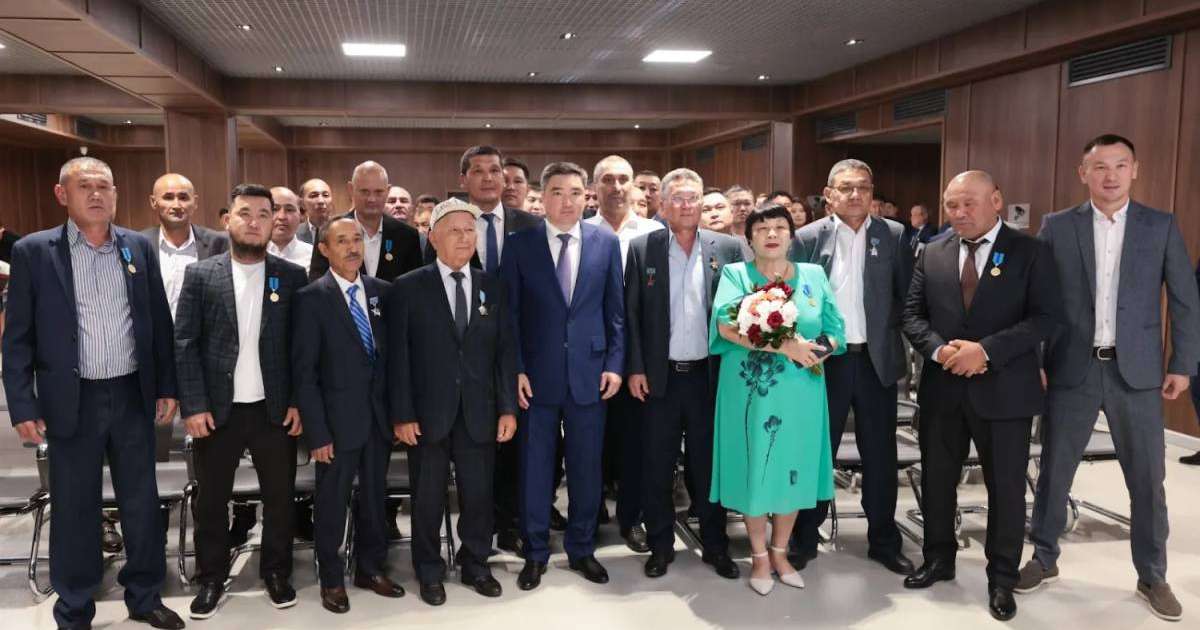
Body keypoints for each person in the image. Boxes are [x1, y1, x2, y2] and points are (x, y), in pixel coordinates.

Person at [1021, 135, 1200, 621]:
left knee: (1147, 480)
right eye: (1100, 166)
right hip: (1071, 368)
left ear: (1135, 170)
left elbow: (1185, 298)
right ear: (1084, 173)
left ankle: (1151, 574)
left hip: (1137, 373)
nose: (1111, 175)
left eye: (1120, 165)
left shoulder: (1159, 225)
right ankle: (1043, 558)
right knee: (1055, 470)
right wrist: (1035, 357)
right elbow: (1038, 298)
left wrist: (1183, 363)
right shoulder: (1057, 227)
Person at [2, 157, 184, 630]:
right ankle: (75, 607)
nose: (97, 194)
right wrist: (22, 402)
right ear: (63, 195)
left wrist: (167, 385)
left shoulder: (138, 248)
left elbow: (158, 322)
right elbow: (17, 336)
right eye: (86, 186)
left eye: (105, 186)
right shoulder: (34, 252)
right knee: (75, 506)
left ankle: (144, 596)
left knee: (141, 503)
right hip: (71, 399)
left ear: (117, 194)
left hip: (131, 395)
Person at [901, 170, 1061, 621]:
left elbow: (1047, 317)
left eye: (969, 203)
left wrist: (985, 352)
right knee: (936, 481)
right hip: (943, 390)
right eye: (952, 205)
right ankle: (938, 559)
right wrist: (938, 350)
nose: (959, 213)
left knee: (1006, 489)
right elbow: (912, 315)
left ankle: (1001, 579)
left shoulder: (1031, 252)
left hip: (1005, 392)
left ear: (996, 200)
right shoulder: (932, 252)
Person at [174, 183, 307, 620]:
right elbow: (185, 343)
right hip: (217, 411)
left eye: (264, 214)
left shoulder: (289, 277)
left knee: (280, 498)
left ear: (276, 221)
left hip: (273, 410)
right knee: (211, 501)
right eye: (245, 212)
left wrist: (296, 402)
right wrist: (193, 405)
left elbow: (299, 349)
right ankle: (211, 577)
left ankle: (276, 571)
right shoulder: (201, 274)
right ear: (227, 218)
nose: (255, 221)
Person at [501, 161, 625, 590]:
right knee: (535, 467)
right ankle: (535, 552)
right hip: (536, 375)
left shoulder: (605, 241)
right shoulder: (520, 243)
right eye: (557, 191)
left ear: (586, 195)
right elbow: (510, 316)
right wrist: (515, 367)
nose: (567, 200)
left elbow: (616, 312)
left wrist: (614, 363)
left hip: (591, 374)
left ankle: (582, 548)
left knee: (587, 467)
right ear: (544, 195)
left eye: (575, 192)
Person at [710, 202, 845, 596]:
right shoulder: (737, 274)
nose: (772, 234)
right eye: (762, 228)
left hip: (802, 386)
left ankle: (781, 551)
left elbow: (836, 330)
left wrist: (813, 352)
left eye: (780, 227)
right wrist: (785, 347)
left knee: (792, 468)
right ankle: (758, 557)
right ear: (749, 237)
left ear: (791, 235)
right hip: (751, 387)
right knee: (756, 468)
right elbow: (726, 326)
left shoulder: (814, 276)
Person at [789, 159, 914, 576]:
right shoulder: (807, 237)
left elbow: (907, 297)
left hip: (876, 360)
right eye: (846, 188)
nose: (856, 195)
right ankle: (804, 537)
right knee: (815, 452)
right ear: (829, 195)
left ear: (873, 191)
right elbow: (790, 298)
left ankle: (883, 540)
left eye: (863, 186)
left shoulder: (894, 235)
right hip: (825, 362)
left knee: (880, 454)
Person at [390, 199, 518, 606]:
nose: (465, 238)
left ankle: (476, 564)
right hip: (426, 415)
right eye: (455, 231)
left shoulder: (492, 286)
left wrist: (508, 408)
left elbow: (504, 353)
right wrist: (403, 413)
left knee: (478, 495)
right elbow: (399, 358)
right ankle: (428, 571)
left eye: (470, 231)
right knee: (427, 498)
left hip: (479, 410)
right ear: (433, 237)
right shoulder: (408, 287)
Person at [625, 167, 742, 580]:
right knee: (656, 466)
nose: (687, 205)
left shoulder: (727, 247)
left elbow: (742, 310)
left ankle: (715, 545)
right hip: (661, 378)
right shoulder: (643, 250)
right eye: (678, 198)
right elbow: (632, 315)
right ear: (663, 205)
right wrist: (636, 368)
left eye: (694, 197)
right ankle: (660, 545)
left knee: (708, 467)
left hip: (710, 379)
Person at [293, 217, 405, 614]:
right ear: (324, 249)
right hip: (335, 425)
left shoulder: (382, 293)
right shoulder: (311, 298)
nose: (352, 247)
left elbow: (392, 361)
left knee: (376, 498)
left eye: (357, 239)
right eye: (342, 241)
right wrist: (318, 434)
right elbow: (304, 375)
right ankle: (332, 579)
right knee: (331, 502)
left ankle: (370, 569)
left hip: (377, 419)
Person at [432, 145, 540, 555]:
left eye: (495, 170)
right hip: (465, 360)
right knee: (474, 450)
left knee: (514, 447)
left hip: (517, 354)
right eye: (478, 171)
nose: (489, 178)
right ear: (464, 180)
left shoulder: (530, 226)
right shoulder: (446, 223)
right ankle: (479, 530)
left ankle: (510, 524)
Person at [583, 155, 664, 553]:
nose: (616, 187)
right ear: (593, 188)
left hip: (638, 361)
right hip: (588, 357)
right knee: (589, 444)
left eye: (623, 180)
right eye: (607, 180)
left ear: (635, 186)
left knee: (635, 445)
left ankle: (632, 518)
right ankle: (590, 513)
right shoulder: (579, 232)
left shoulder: (654, 233)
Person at [141, 173, 229, 320]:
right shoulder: (139, 245)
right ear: (153, 201)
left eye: (183, 197)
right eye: (168, 197)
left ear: (195, 202)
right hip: (155, 340)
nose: (176, 205)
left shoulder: (218, 244)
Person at [268, 186, 314, 273]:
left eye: (289, 210)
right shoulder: (251, 255)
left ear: (301, 215)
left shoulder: (313, 257)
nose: (282, 217)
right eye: (274, 209)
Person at [295, 178, 335, 244]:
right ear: (302, 204)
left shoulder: (345, 229)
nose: (321, 201)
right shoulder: (294, 234)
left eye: (325, 195)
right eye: (314, 196)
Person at [725, 185, 756, 260]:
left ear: (754, 206)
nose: (742, 208)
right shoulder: (721, 238)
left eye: (747, 203)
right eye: (737, 204)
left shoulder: (762, 235)